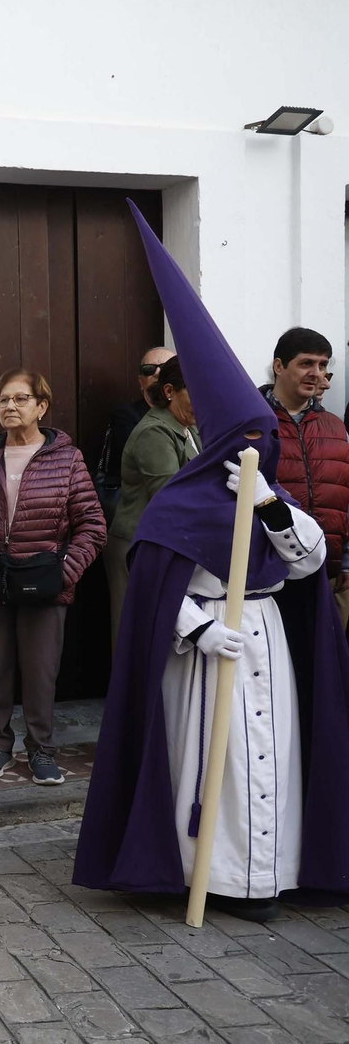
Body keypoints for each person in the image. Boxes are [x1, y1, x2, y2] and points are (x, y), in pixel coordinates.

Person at [75, 202, 349, 922]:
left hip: (266, 643)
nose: (266, 441)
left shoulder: (270, 493)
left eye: (270, 434)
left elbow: (306, 563)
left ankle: (273, 876)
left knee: (276, 759)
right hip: (201, 661)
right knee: (213, 768)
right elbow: (151, 587)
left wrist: (271, 506)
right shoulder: (179, 505)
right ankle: (219, 878)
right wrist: (196, 629)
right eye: (252, 433)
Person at [0, 368, 106, 786]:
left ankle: (40, 749)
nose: (10, 406)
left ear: (41, 406)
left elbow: (93, 525)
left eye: (20, 399)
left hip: (45, 584)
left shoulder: (67, 458)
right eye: (3, 399)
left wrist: (65, 572)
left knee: (41, 671)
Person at [104, 356, 200, 644]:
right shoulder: (155, 431)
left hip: (165, 543)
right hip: (137, 545)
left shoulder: (188, 426)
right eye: (195, 391)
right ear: (169, 392)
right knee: (134, 632)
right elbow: (169, 494)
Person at [261, 326, 349, 624]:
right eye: (306, 363)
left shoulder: (336, 427)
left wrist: (345, 562)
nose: (316, 372)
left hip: (326, 572)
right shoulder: (252, 424)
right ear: (278, 366)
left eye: (323, 364)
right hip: (268, 575)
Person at [96, 347, 176, 523]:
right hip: (137, 517)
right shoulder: (126, 417)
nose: (158, 373)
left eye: (166, 367)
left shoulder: (192, 419)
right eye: (149, 369)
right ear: (141, 382)